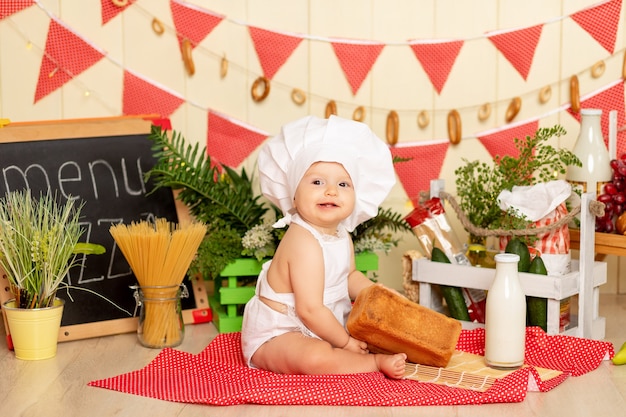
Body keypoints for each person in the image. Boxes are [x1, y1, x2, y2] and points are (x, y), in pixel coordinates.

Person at [241, 115, 407, 379]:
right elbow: (309, 309)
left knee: (374, 332)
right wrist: (344, 342)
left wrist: (375, 294)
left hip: (324, 325)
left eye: (343, 184)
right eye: (317, 182)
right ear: (294, 194)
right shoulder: (302, 241)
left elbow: (350, 277)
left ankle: (350, 351)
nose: (331, 191)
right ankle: (373, 364)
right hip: (280, 333)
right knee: (315, 357)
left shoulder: (341, 234)